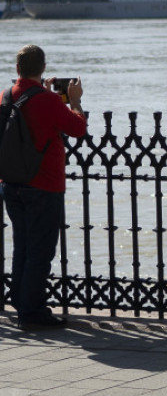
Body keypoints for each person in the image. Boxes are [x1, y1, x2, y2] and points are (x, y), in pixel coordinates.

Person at [1, 45, 87, 328]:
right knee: (40, 249)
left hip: (11, 182)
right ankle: (32, 312)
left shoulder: (4, 97)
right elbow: (77, 128)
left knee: (22, 245)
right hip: (44, 183)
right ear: (43, 68)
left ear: (17, 69)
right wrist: (74, 101)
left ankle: (20, 300)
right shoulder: (47, 101)